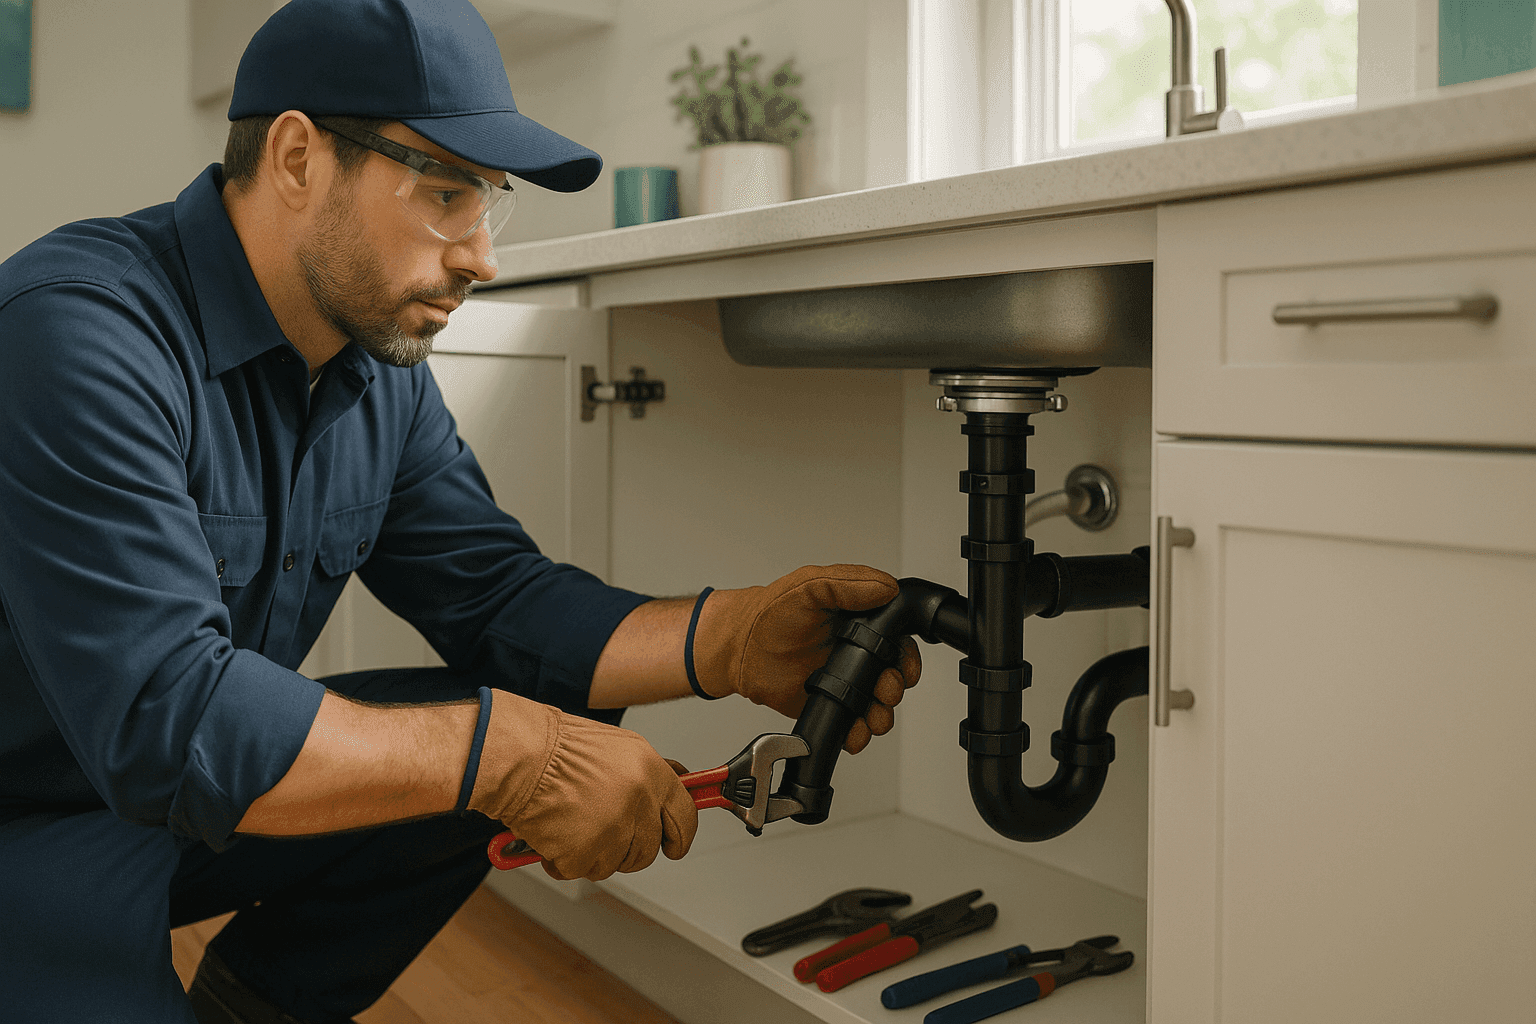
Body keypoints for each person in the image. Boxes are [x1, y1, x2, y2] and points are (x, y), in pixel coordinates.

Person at [0, 2, 921, 1022]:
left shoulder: (368, 366)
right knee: (501, 740)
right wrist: (512, 758)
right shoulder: (79, 334)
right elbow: (169, 723)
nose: (482, 256)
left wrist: (731, 637)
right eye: (446, 194)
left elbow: (500, 600)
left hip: (181, 799)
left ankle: (256, 1003)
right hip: (30, 817)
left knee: (538, 708)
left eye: (490, 202)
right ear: (300, 157)